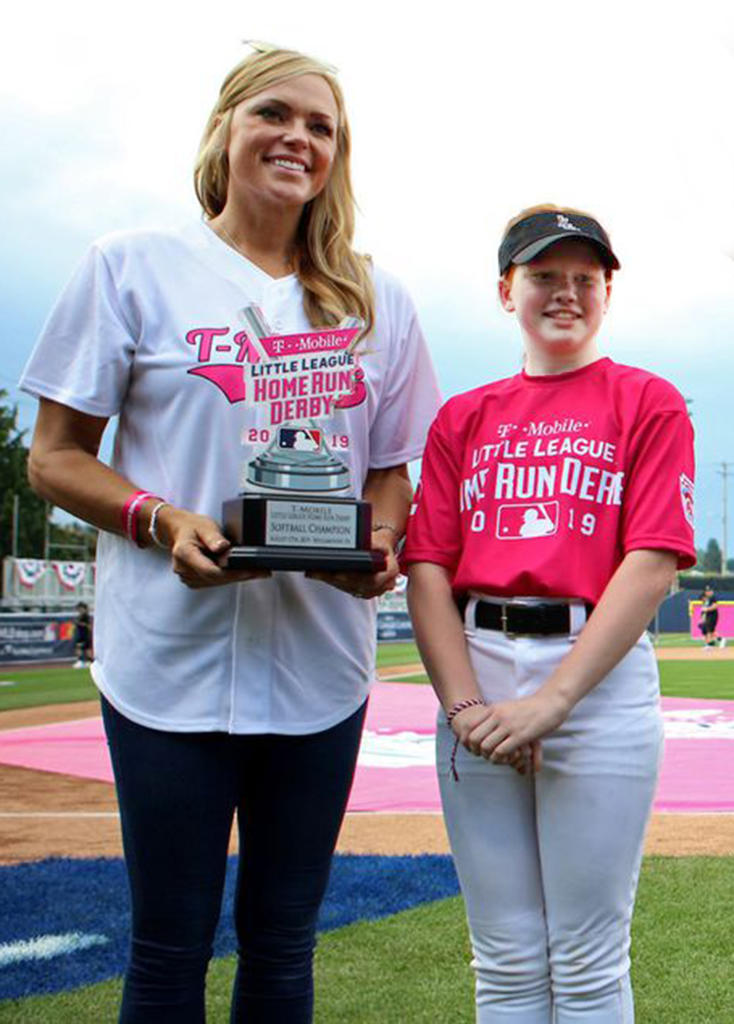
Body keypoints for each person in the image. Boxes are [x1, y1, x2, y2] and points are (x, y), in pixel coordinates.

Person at [20, 45, 440, 1023]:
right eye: (273, 113)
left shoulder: (378, 300)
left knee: (284, 945)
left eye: (321, 126)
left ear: (337, 158)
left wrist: (375, 545)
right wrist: (157, 517)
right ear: (225, 131)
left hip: (317, 663)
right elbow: (52, 455)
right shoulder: (129, 266)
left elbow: (388, 469)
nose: (297, 136)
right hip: (168, 658)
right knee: (167, 948)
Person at [403, 205, 695, 1022]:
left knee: (589, 957)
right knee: (503, 955)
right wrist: (463, 705)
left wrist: (553, 700)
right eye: (542, 277)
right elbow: (428, 567)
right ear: (507, 291)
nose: (565, 292)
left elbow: (652, 561)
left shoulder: (648, 400)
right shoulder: (464, 415)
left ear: (607, 292)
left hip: (593, 682)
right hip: (479, 665)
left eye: (583, 278)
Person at [699, 584, 724, 648]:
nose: (707, 592)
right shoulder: (706, 601)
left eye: (709, 591)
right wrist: (702, 618)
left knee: (708, 629)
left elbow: (715, 606)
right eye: (706, 591)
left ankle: (710, 644)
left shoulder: (713, 597)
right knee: (711, 630)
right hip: (708, 616)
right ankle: (720, 640)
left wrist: (707, 609)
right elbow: (703, 611)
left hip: (713, 615)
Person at [72, 601, 92, 668]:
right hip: (81, 634)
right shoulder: (81, 616)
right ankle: (86, 661)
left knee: (82, 648)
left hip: (84, 634)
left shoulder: (85, 616)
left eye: (79, 608)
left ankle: (82, 661)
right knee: (84, 648)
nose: (78, 610)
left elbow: (88, 625)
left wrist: (79, 623)